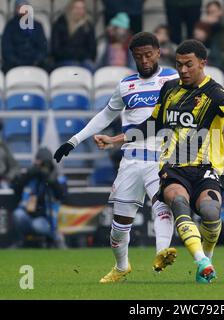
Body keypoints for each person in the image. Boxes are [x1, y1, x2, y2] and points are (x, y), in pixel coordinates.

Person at [96, 39, 224, 283]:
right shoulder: (169, 89)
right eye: (179, 65)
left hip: (205, 169)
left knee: (210, 213)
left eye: (189, 65)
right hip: (173, 167)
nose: (183, 70)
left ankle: (206, 259)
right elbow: (152, 125)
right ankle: (202, 262)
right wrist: (115, 139)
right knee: (178, 201)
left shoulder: (215, 93)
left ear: (202, 63)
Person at [53, 32, 180, 283]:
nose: (144, 60)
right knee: (120, 226)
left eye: (148, 55)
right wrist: (74, 140)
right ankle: (122, 266)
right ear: (133, 56)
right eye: (138, 56)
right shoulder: (126, 85)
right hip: (131, 160)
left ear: (158, 53)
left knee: (162, 205)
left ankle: (162, 252)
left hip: (161, 156)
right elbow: (104, 116)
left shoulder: (172, 79)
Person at [12, 148, 67, 248]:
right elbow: (16, 189)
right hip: (29, 214)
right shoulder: (31, 176)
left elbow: (62, 195)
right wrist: (28, 174)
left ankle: (56, 237)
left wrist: (51, 181)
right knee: (18, 214)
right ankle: (21, 240)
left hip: (48, 219)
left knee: (37, 224)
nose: (42, 167)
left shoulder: (56, 177)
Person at [1, 0, 48, 73]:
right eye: (20, 8)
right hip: (14, 64)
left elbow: (43, 48)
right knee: (5, 68)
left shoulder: (38, 26)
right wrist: (17, 63)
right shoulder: (10, 27)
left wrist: (36, 61)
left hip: (35, 62)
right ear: (16, 10)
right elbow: (6, 50)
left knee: (48, 68)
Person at [51, 0, 97, 72]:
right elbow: (55, 50)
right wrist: (71, 54)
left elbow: (92, 50)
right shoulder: (59, 24)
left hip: (83, 60)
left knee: (90, 67)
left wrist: (80, 56)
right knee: (75, 66)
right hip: (63, 60)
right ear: (70, 9)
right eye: (76, 8)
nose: (79, 11)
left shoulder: (88, 26)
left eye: (82, 8)